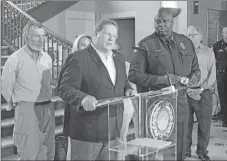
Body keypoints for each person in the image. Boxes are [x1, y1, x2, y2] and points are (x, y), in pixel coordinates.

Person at [128, 7, 201, 161]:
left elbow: (196, 69)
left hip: (181, 104)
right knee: (156, 149)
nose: (160, 25)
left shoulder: (185, 42)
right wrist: (163, 80)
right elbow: (134, 75)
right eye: (157, 21)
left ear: (172, 22)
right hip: (156, 106)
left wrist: (195, 77)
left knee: (179, 145)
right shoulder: (145, 45)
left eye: (164, 22)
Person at [57, 19, 136, 160]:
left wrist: (128, 89)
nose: (112, 38)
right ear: (96, 34)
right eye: (107, 34)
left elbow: (121, 81)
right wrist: (82, 98)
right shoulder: (78, 58)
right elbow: (64, 88)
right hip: (87, 132)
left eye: (115, 36)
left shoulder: (119, 58)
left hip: (113, 131)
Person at [1, 21, 55, 160]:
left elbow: (49, 83)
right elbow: (6, 86)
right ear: (26, 36)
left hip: (48, 108)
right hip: (27, 109)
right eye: (36, 36)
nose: (41, 40)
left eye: (43, 36)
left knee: (48, 151)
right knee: (29, 153)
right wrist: (16, 103)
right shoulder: (15, 59)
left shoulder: (47, 58)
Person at [185, 26, 216, 161]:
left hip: (203, 92)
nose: (189, 37)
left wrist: (201, 89)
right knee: (186, 124)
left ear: (200, 36)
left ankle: (202, 151)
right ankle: (185, 150)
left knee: (204, 124)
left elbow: (212, 73)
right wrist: (187, 89)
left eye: (192, 34)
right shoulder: (182, 52)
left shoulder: (209, 52)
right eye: (187, 34)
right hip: (185, 92)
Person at [62, 34, 92, 161]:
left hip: (90, 111)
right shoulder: (72, 61)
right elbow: (66, 89)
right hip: (76, 108)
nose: (86, 48)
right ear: (76, 46)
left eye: (89, 46)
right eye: (83, 45)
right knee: (74, 149)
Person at [212, 26, 227, 127]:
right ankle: (225, 120)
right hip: (221, 75)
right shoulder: (217, 46)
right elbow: (212, 62)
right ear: (222, 33)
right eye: (225, 32)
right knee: (223, 97)